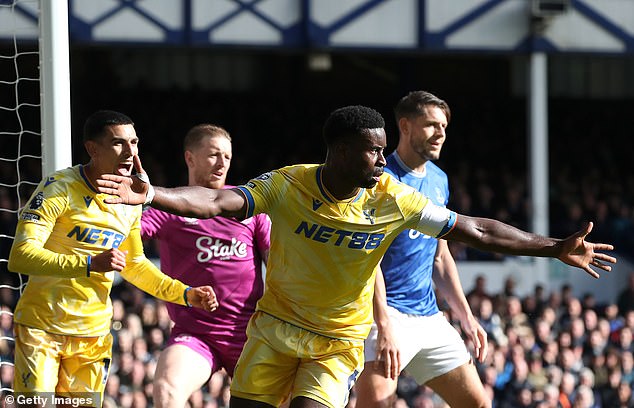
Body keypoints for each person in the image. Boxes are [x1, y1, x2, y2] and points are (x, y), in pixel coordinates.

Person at [97, 105, 615, 408]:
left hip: (336, 343)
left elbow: (472, 228)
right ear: (341, 152)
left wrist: (552, 246)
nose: (381, 160)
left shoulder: (392, 197)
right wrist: (154, 194)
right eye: (372, 150)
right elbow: (217, 200)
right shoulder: (287, 185)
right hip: (273, 330)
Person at [8, 110, 216, 406]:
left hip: (93, 336)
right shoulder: (58, 189)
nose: (130, 152)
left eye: (134, 142)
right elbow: (20, 256)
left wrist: (183, 293)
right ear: (93, 149)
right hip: (43, 328)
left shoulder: (128, 200)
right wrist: (89, 265)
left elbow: (134, 265)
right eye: (119, 143)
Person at [354, 91, 489, 407]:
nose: (441, 133)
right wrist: (384, 324)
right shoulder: (379, 181)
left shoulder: (439, 180)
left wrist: (466, 317)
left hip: (428, 315)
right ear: (405, 126)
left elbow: (440, 256)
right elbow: (365, 258)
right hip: (381, 314)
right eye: (431, 125)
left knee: (478, 404)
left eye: (444, 126)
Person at [141, 124, 271, 408]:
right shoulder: (171, 205)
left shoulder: (247, 204)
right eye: (214, 154)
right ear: (190, 158)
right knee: (167, 389)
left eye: (227, 155)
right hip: (197, 334)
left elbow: (279, 262)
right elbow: (128, 234)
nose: (222, 162)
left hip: (251, 333)